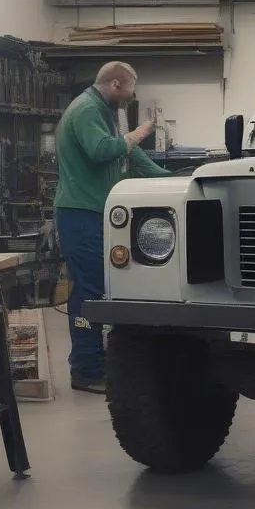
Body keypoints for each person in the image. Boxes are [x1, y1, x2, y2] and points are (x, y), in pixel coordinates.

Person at [54, 61, 170, 393]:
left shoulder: (102, 110)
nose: (133, 96)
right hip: (80, 213)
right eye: (132, 88)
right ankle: (86, 370)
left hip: (96, 211)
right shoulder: (87, 110)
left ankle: (97, 361)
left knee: (104, 286)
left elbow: (128, 153)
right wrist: (140, 133)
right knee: (88, 289)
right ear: (117, 84)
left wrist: (170, 178)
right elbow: (103, 150)